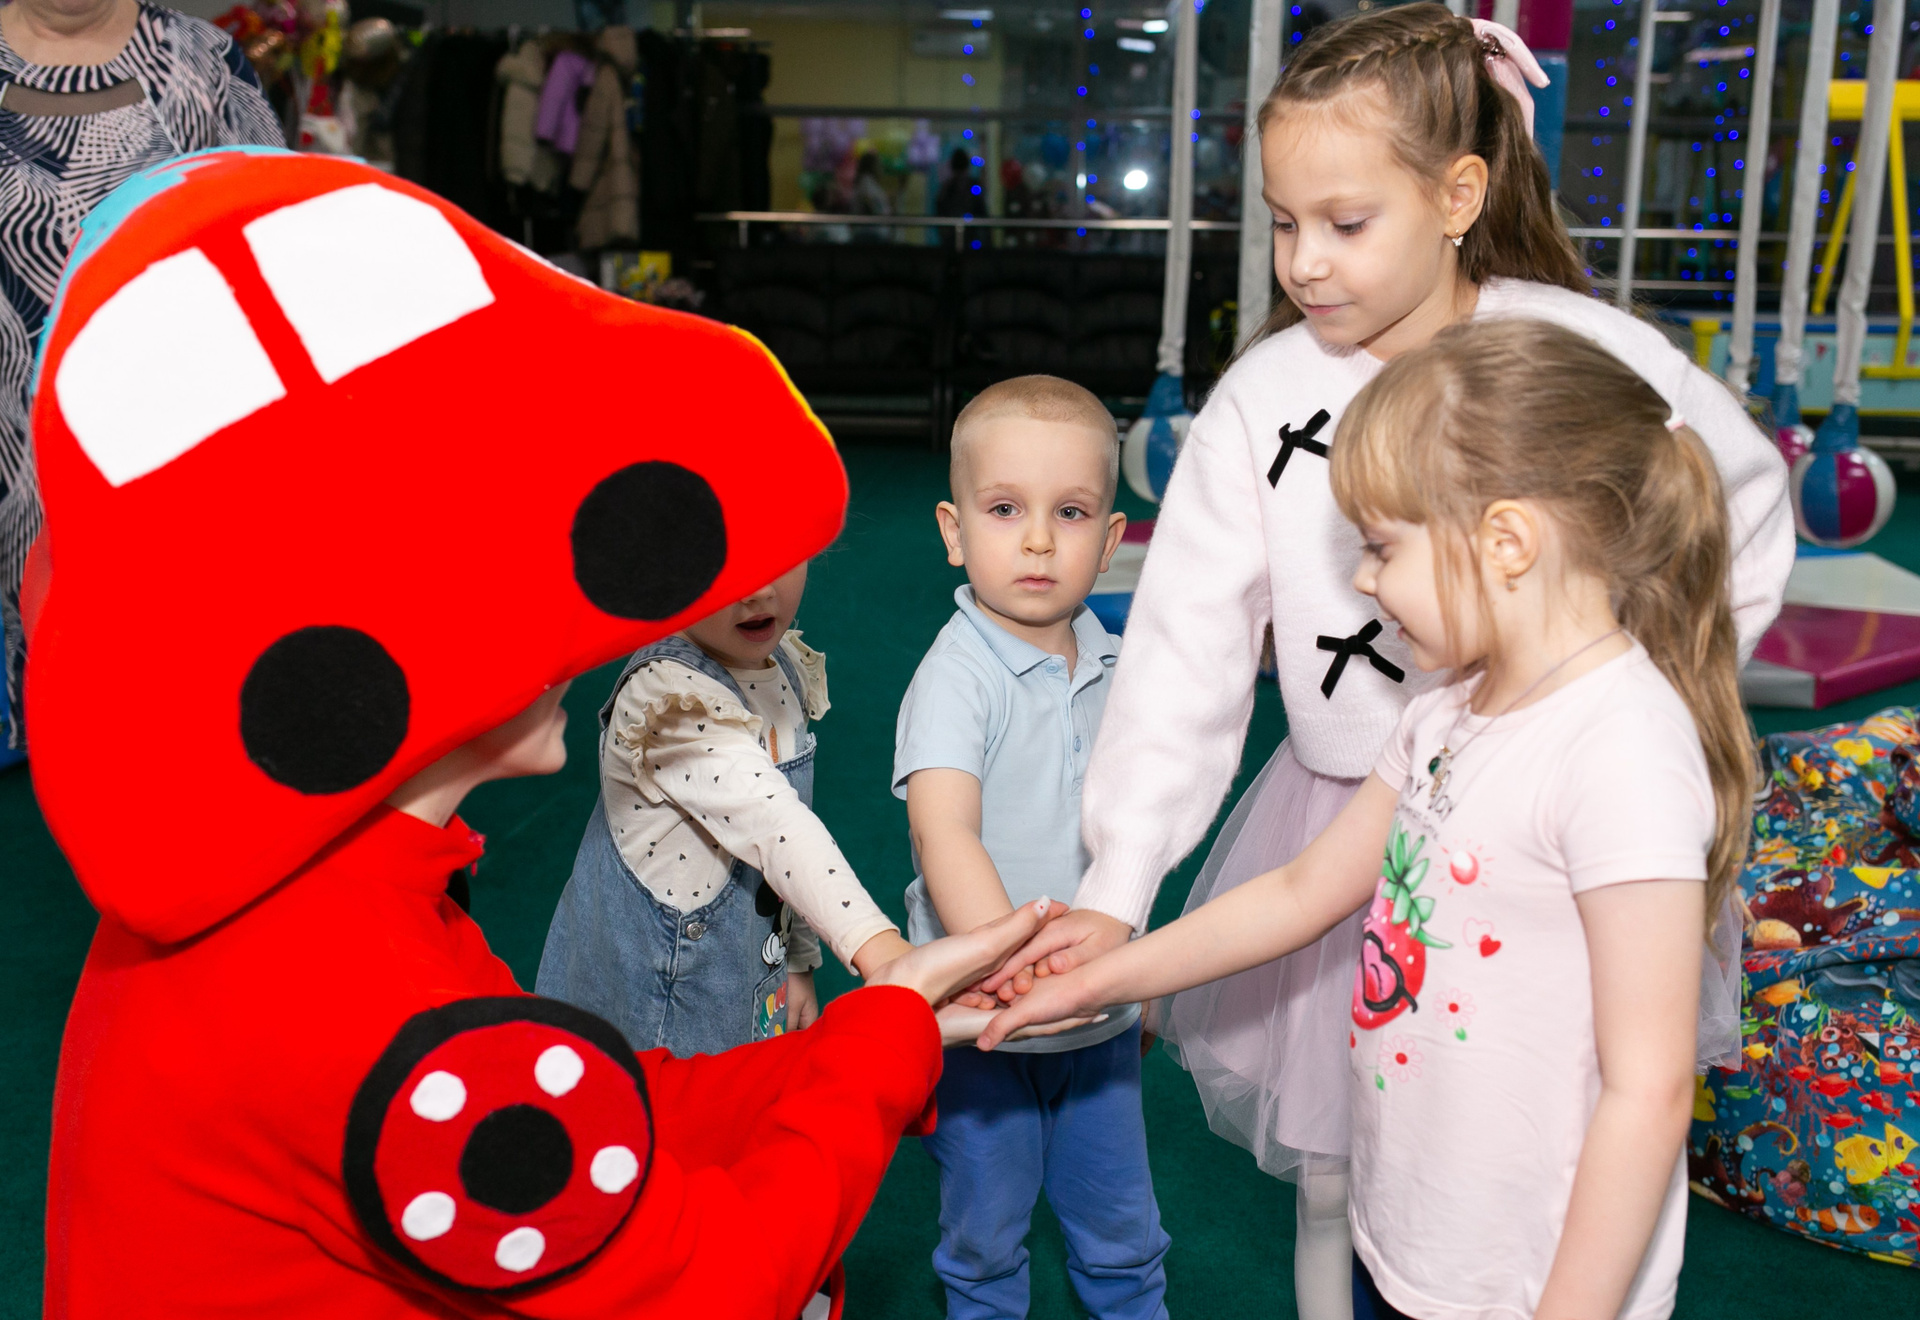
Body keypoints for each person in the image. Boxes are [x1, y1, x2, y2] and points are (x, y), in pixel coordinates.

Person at [28, 145, 1064, 1318]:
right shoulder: (359, 1008)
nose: (582, 626)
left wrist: (878, 1025)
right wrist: (876, 1056)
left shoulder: (315, 887)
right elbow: (711, 1293)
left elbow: (609, 1111)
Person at [975, 8, 1793, 1318]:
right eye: (1281, 223)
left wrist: (1643, 668)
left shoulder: (1574, 371)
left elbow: (1728, 495)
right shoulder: (1282, 422)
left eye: (1346, 223)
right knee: (1346, 1158)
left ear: (1458, 197)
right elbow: (1189, 665)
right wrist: (1115, 909)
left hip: (1546, 857)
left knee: (1542, 1094)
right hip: (1363, 821)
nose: (1304, 261)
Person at [895, 376, 1170, 1320]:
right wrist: (1007, 967)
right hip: (984, 1017)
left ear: (1113, 536)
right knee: (985, 1229)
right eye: (1006, 509)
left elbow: (1135, 825)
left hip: (1097, 1010)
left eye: (1072, 512)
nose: (1041, 541)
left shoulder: (1119, 664)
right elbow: (944, 830)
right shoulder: (957, 675)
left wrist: (1140, 961)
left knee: (1124, 1229)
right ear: (954, 529)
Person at [0, 0, 283, 764]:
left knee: (173, 737)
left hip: (177, 462)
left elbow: (274, 236)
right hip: (12, 469)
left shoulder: (205, 63)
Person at [537, 563, 913, 1056]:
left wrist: (796, 961)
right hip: (657, 1008)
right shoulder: (670, 701)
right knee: (646, 1101)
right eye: (726, 567)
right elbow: (775, 825)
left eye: (779, 557)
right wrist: (878, 949)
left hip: (744, 975)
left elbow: (791, 819)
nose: (759, 589)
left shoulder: (781, 666)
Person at [935, 145, 976, 217]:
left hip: (950, 222)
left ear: (952, 166)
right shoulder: (974, 186)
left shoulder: (946, 188)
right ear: (967, 166)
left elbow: (940, 212)